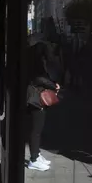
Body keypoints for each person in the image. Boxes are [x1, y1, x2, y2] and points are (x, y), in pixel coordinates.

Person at [26, 39, 60, 171]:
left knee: (37, 129)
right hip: (36, 97)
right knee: (36, 130)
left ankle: (36, 155)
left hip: (35, 96)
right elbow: (39, 78)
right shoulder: (35, 62)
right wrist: (52, 85)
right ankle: (34, 159)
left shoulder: (35, 60)